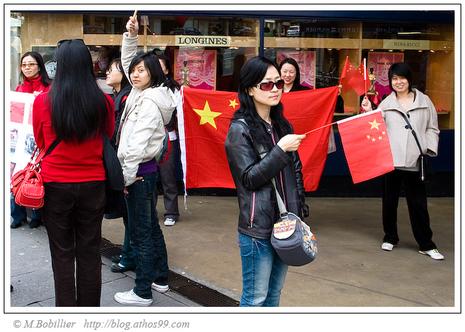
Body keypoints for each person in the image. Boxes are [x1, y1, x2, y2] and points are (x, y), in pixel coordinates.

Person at [32, 39, 115, 306]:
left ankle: (65, 313)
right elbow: (108, 136)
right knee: (90, 251)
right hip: (93, 183)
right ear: (87, 65)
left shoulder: (43, 101)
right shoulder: (103, 101)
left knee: (62, 252)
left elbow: (41, 141)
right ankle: (89, 312)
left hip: (55, 183)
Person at [225, 56, 308, 306]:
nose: (274, 89)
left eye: (278, 83)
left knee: (273, 296)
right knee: (255, 298)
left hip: (286, 226)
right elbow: (249, 178)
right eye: (266, 85)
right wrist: (280, 150)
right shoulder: (240, 129)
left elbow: (296, 172)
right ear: (250, 89)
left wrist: (299, 211)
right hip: (257, 229)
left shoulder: (283, 125)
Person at [113, 15, 175, 306]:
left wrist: (124, 179)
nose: (134, 75)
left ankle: (142, 291)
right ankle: (160, 278)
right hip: (143, 173)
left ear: (152, 73)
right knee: (150, 227)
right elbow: (129, 63)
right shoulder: (146, 91)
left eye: (141, 71)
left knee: (141, 234)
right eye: (133, 71)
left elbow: (136, 147)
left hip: (138, 174)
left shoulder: (149, 102)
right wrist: (130, 36)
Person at [361, 62, 443, 260]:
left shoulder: (425, 101)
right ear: (390, 81)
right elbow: (374, 128)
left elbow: (433, 128)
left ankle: (426, 243)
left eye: (402, 78)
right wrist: (367, 110)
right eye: (394, 79)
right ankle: (390, 237)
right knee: (389, 202)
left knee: (418, 204)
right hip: (392, 161)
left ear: (409, 79)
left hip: (415, 161)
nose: (399, 82)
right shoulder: (386, 104)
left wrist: (427, 148)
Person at [11, 51, 51, 229]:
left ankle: (36, 214)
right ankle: (17, 215)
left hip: (39, 138)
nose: (27, 68)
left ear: (39, 66)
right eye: (24, 65)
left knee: (36, 175)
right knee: (17, 174)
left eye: (31, 64)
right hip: (20, 140)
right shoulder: (19, 89)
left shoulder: (48, 88)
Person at [104, 58, 137, 273]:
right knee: (127, 213)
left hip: (127, 162)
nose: (107, 73)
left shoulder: (126, 97)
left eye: (111, 70)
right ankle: (128, 252)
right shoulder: (117, 96)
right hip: (118, 160)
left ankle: (130, 256)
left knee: (131, 213)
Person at [157, 54, 182, 226]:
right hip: (148, 139)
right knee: (148, 177)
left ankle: (171, 212)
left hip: (168, 137)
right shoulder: (144, 87)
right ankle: (150, 211)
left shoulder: (173, 89)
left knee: (168, 177)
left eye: (160, 66)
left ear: (166, 69)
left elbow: (176, 112)